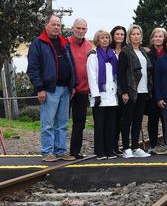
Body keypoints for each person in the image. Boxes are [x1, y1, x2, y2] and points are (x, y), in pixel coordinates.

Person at [27, 14, 77, 162]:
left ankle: (60, 151)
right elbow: (33, 69)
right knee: (48, 123)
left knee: (62, 123)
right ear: (46, 25)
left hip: (65, 89)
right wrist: (39, 88)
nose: (56, 27)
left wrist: (72, 84)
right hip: (49, 89)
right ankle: (47, 152)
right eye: (53, 24)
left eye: (59, 25)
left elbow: (71, 64)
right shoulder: (38, 43)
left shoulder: (64, 43)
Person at [118, 25, 153, 158]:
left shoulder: (143, 52)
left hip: (143, 90)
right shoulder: (125, 52)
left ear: (141, 36)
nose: (136, 36)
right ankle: (126, 148)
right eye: (133, 34)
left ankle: (135, 147)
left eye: (138, 34)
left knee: (138, 120)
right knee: (127, 120)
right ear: (129, 36)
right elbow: (121, 74)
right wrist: (125, 92)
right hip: (131, 92)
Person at [87, 30, 119, 160]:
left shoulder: (113, 56)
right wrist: (96, 95)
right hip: (99, 96)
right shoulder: (93, 56)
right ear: (97, 40)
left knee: (111, 126)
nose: (105, 40)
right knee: (100, 126)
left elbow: (116, 76)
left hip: (112, 96)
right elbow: (92, 77)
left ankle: (110, 150)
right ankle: (100, 152)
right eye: (102, 38)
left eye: (107, 37)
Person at [66, 18, 92, 159]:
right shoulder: (65, 43)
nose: (81, 31)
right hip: (68, 90)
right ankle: (58, 151)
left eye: (84, 29)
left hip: (83, 90)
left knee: (79, 123)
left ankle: (75, 151)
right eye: (78, 28)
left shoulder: (89, 46)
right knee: (61, 122)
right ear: (72, 28)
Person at [146, 27, 167, 154]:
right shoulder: (147, 54)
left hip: (166, 91)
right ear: (152, 38)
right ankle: (153, 145)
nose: (158, 38)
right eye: (156, 36)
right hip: (152, 91)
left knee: (166, 119)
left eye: (161, 36)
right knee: (152, 119)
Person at [109, 26, 127, 156]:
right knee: (112, 119)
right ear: (113, 35)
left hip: (123, 89)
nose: (120, 36)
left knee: (121, 119)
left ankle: (117, 145)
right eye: (117, 34)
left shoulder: (127, 50)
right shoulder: (108, 50)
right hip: (110, 89)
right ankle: (111, 145)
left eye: (122, 34)